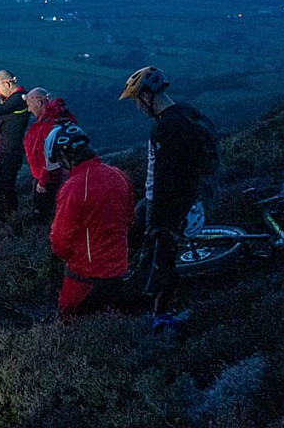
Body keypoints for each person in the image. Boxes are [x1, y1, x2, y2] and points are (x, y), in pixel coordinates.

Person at [119, 66, 208, 323]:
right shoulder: (184, 115)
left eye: (137, 100)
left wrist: (158, 220)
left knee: (162, 260)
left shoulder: (166, 128)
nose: (137, 107)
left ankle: (160, 317)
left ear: (147, 96)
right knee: (152, 251)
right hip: (175, 200)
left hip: (165, 205)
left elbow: (165, 178)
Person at [46, 123, 134, 317]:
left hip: (84, 276)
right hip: (119, 271)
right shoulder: (118, 175)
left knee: (69, 330)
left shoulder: (74, 187)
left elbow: (60, 239)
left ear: (66, 156)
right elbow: (129, 218)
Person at [0, 70, 29, 221]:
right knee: (7, 189)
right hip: (8, 150)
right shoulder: (18, 98)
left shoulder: (17, 99)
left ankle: (2, 222)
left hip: (7, 152)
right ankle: (11, 219)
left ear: (7, 83)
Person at [23, 88, 77, 218]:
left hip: (49, 181)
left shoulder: (49, 125)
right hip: (48, 177)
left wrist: (42, 181)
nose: (29, 110)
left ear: (40, 103)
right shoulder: (54, 120)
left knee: (43, 215)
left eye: (30, 105)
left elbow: (52, 157)